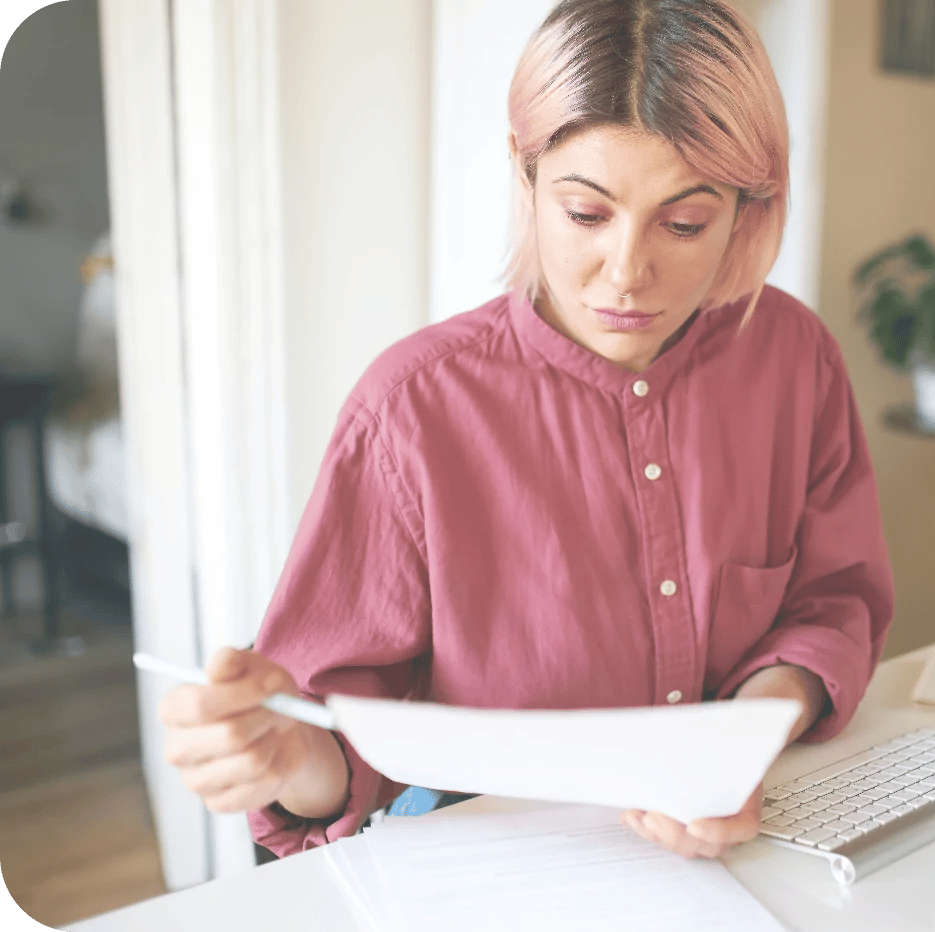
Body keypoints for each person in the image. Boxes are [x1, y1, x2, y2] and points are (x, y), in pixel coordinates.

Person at [158, 0, 894, 863]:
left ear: (749, 207)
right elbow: (333, 750)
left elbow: (832, 603)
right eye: (586, 213)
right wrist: (285, 757)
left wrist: (742, 740)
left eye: (684, 223)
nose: (627, 272)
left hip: (745, 857)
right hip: (497, 877)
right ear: (525, 176)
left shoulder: (793, 359)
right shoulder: (411, 411)